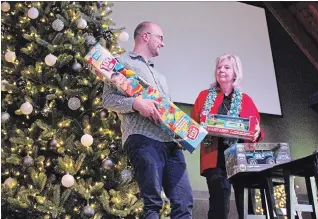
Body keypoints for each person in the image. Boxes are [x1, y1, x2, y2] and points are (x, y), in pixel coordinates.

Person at [102, 21, 193, 219]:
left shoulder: (161, 76)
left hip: (171, 144)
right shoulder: (120, 63)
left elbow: (167, 113)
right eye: (160, 37)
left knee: (184, 201)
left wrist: (182, 135)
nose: (163, 43)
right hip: (143, 138)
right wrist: (136, 104)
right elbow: (107, 100)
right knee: (152, 202)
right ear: (145, 36)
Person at [190, 54, 265, 219]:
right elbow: (193, 126)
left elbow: (257, 132)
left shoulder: (246, 100)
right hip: (215, 160)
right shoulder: (204, 96)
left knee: (247, 207)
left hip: (241, 160)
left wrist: (257, 132)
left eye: (226, 67)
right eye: (219, 67)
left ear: (235, 73)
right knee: (219, 206)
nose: (221, 70)